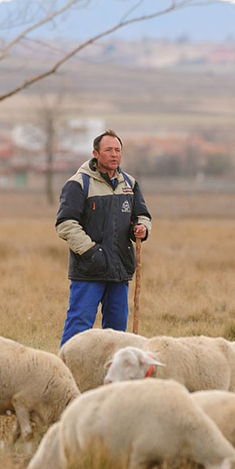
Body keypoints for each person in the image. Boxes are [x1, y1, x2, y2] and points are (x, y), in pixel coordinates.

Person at [55, 129, 151, 347]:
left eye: (118, 150)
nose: (114, 154)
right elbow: (65, 224)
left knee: (117, 333)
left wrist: (142, 228)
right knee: (79, 327)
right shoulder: (78, 184)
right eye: (108, 150)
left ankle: (113, 377)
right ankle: (67, 373)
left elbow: (142, 216)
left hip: (119, 270)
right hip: (89, 270)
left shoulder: (130, 184)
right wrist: (91, 252)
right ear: (96, 153)